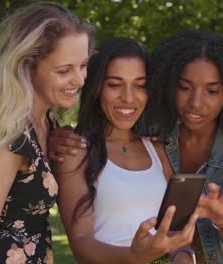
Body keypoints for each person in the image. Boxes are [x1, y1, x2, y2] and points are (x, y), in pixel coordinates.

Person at [50, 30, 223, 263]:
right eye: (184, 88)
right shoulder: (155, 131)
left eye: (212, 91)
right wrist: (57, 137)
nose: (196, 103)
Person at [0, 2, 95, 263]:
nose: (80, 80)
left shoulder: (47, 125)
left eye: (83, 65)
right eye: (64, 70)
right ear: (28, 65)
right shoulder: (10, 138)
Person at [55, 37, 200, 264]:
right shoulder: (75, 150)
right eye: (115, 84)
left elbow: (175, 230)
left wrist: (182, 256)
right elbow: (82, 243)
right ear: (96, 87)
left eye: (139, 85)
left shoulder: (158, 149)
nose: (128, 97)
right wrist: (134, 257)